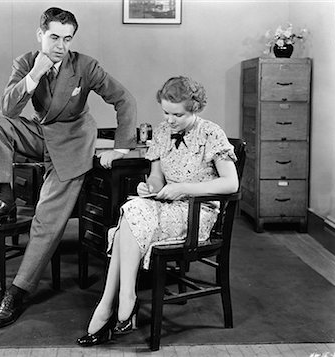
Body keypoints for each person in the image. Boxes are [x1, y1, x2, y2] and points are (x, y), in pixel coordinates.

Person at [0, 7, 137, 328]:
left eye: (67, 38)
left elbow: (125, 99)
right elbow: (8, 108)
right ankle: (4, 195)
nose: (60, 45)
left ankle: (18, 291)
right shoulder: (25, 62)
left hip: (74, 142)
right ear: (40, 35)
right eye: (53, 37)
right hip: (42, 133)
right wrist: (34, 74)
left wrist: (121, 148)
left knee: (46, 221)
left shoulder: (85, 66)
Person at [76, 76, 239, 346]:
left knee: (128, 221)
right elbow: (156, 179)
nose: (170, 120)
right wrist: (147, 188)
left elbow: (230, 183)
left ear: (195, 108)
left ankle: (110, 305)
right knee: (132, 208)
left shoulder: (211, 133)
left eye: (178, 114)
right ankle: (122, 301)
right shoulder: (163, 132)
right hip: (167, 205)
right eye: (166, 112)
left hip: (197, 213)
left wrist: (184, 188)